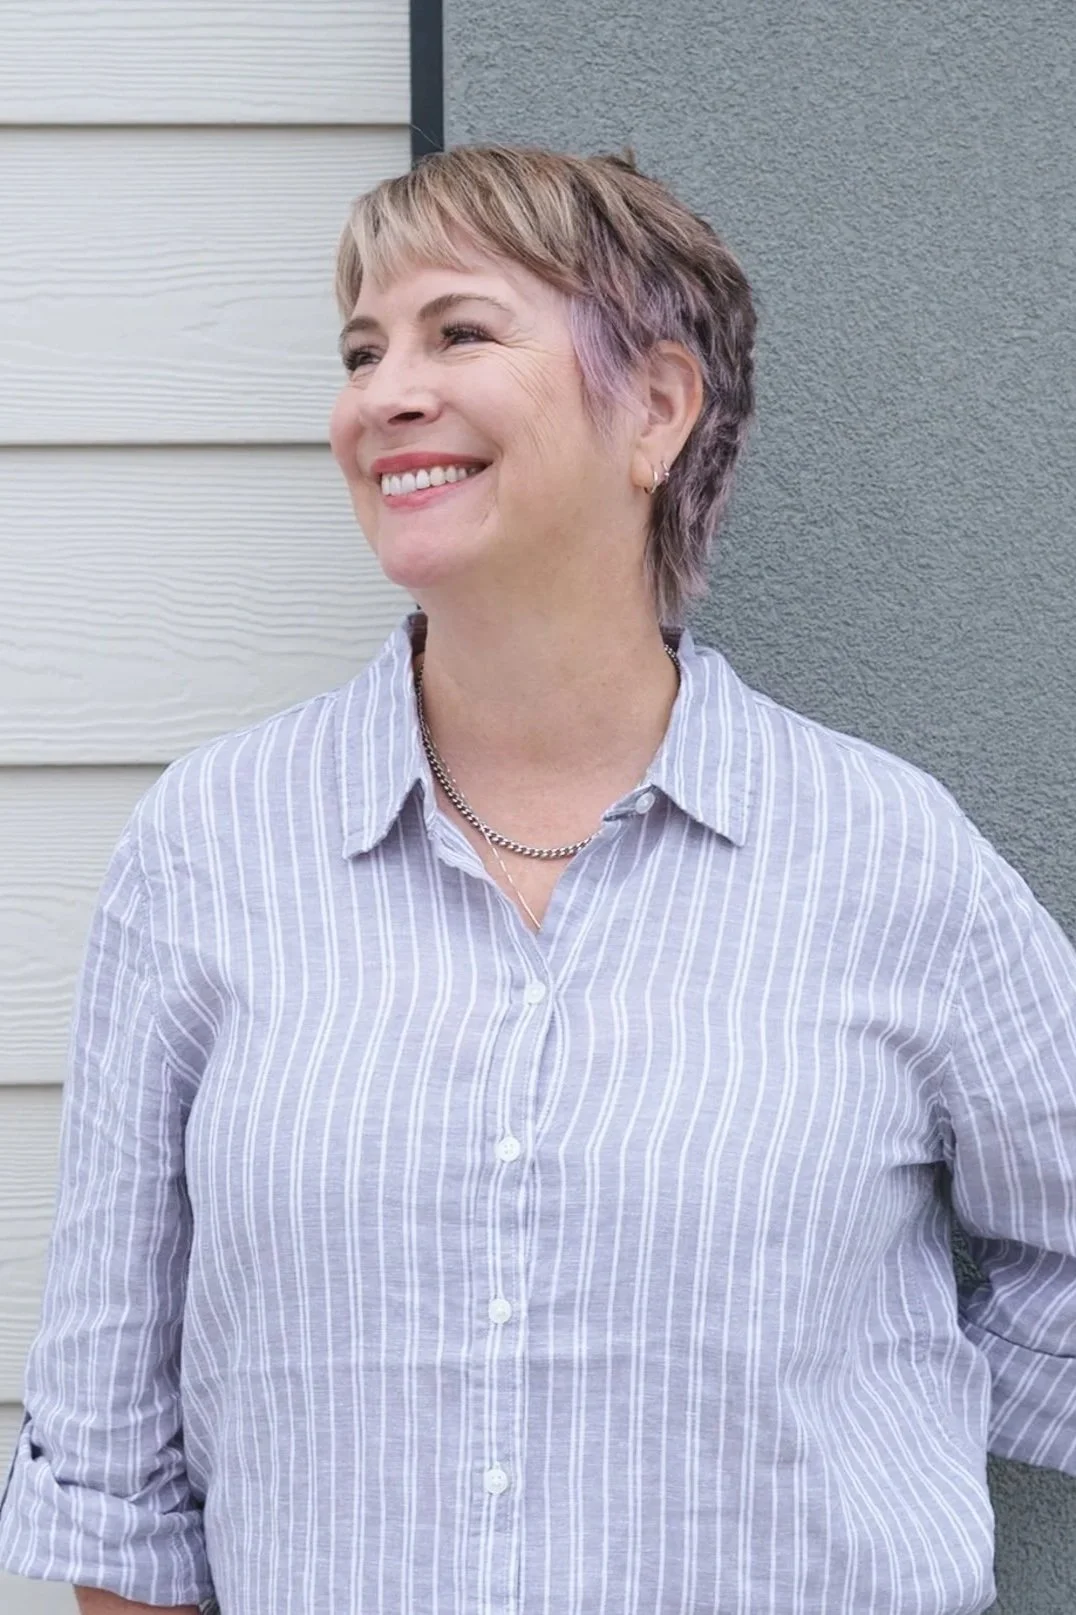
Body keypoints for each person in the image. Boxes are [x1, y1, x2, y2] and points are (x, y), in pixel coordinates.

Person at [0, 142, 1074, 1615]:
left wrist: (881, 1397)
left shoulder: (884, 855)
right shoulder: (211, 850)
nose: (383, 394)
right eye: (362, 349)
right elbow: (113, 1464)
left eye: (459, 331)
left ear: (655, 407)